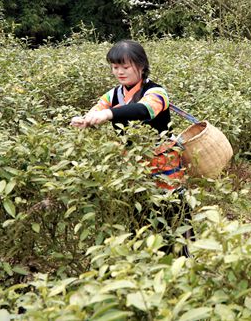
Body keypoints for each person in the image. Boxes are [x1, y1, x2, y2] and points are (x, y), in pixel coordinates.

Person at [71, 40, 190, 253]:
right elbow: (96, 109)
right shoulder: (113, 94)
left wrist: (109, 114)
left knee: (173, 221)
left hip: (163, 167)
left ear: (141, 66)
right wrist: (85, 120)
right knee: (139, 220)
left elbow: (143, 110)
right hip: (133, 168)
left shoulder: (156, 92)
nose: (120, 72)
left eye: (125, 67)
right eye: (115, 67)